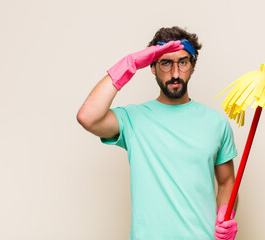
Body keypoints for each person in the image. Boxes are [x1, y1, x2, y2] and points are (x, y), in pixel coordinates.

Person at [77, 26, 238, 240]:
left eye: (182, 62)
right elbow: (88, 117)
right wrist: (130, 64)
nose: (174, 73)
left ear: (192, 66)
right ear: (152, 67)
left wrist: (226, 214)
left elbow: (227, 182)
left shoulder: (216, 123)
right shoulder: (133, 119)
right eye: (165, 63)